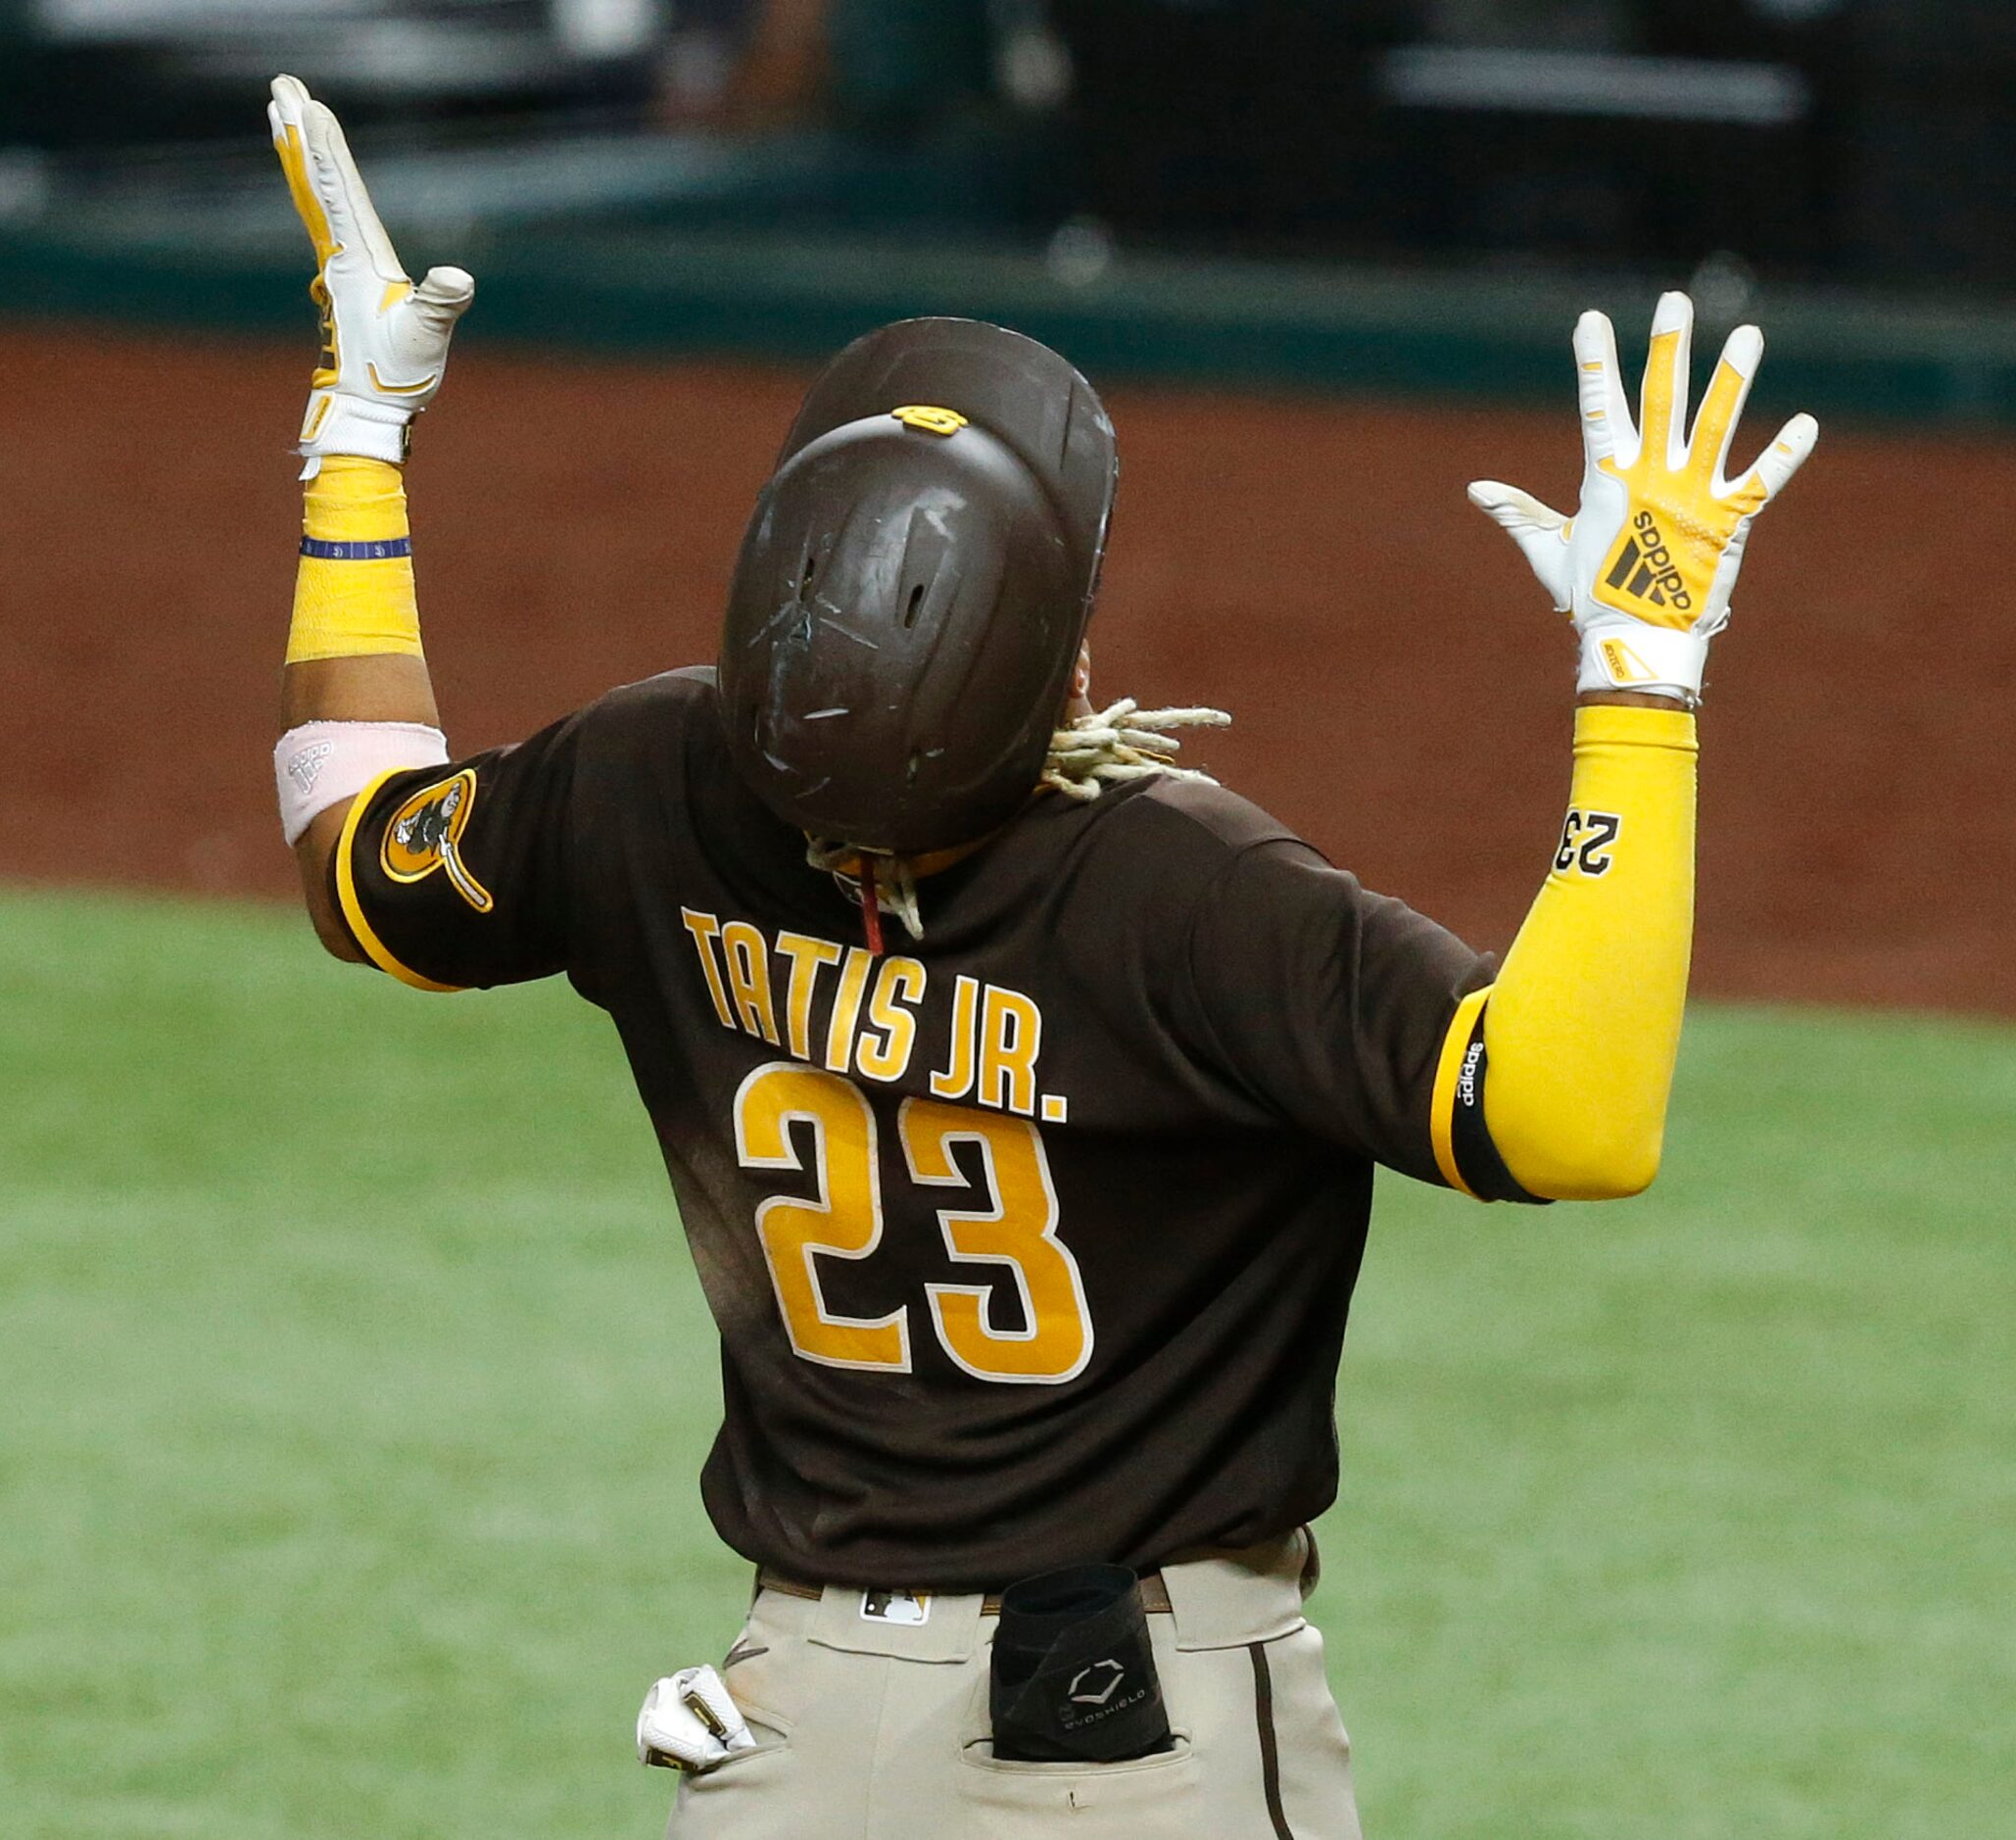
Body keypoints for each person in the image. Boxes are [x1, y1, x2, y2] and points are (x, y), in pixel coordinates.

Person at [264, 72, 1815, 1840]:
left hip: (795, 1731)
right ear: (1061, 663)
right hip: (1136, 1740)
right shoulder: (1183, 891)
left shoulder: (644, 785)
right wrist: (1641, 683)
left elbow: (357, 860)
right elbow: (1567, 1119)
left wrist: (357, 438)